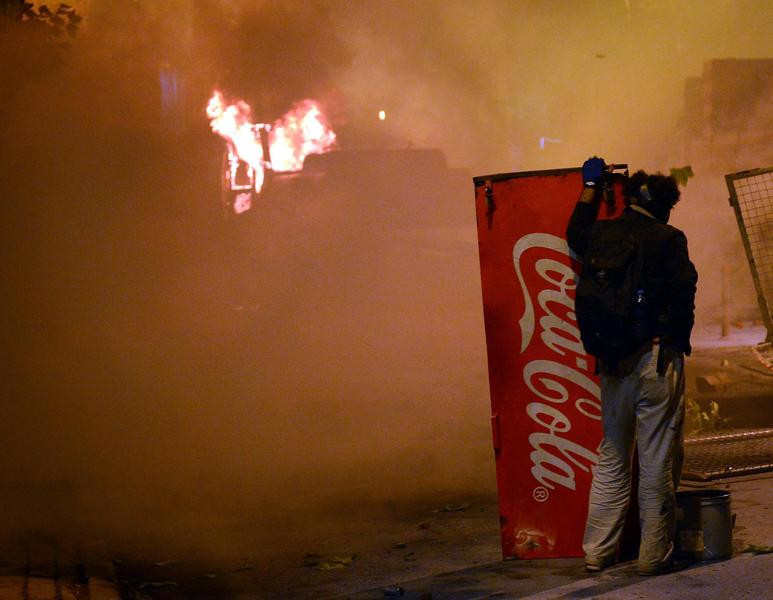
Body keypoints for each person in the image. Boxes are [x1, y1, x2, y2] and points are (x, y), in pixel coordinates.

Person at [566, 156, 698, 575]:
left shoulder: (602, 233)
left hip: (611, 361)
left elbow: (574, 234)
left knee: (612, 454)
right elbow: (683, 295)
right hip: (655, 360)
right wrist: (675, 342)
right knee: (656, 458)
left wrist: (590, 186)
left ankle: (596, 552)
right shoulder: (668, 238)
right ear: (663, 205)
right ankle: (651, 557)